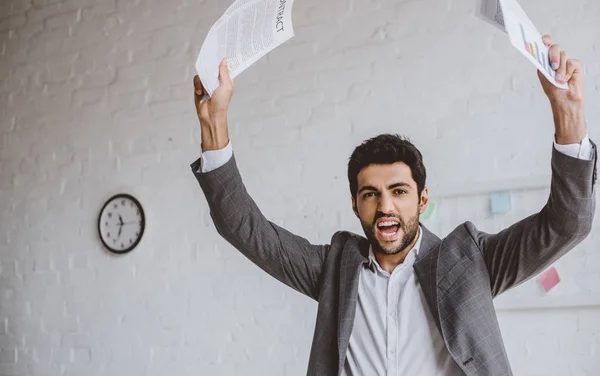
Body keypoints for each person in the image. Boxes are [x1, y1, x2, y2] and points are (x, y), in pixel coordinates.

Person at [189, 34, 597, 375]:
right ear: (355, 205)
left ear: (421, 199)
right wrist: (214, 123)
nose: (385, 206)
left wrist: (568, 115)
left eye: (398, 192)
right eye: (371, 194)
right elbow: (243, 227)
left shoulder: (471, 261)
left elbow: (567, 224)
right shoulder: (335, 268)